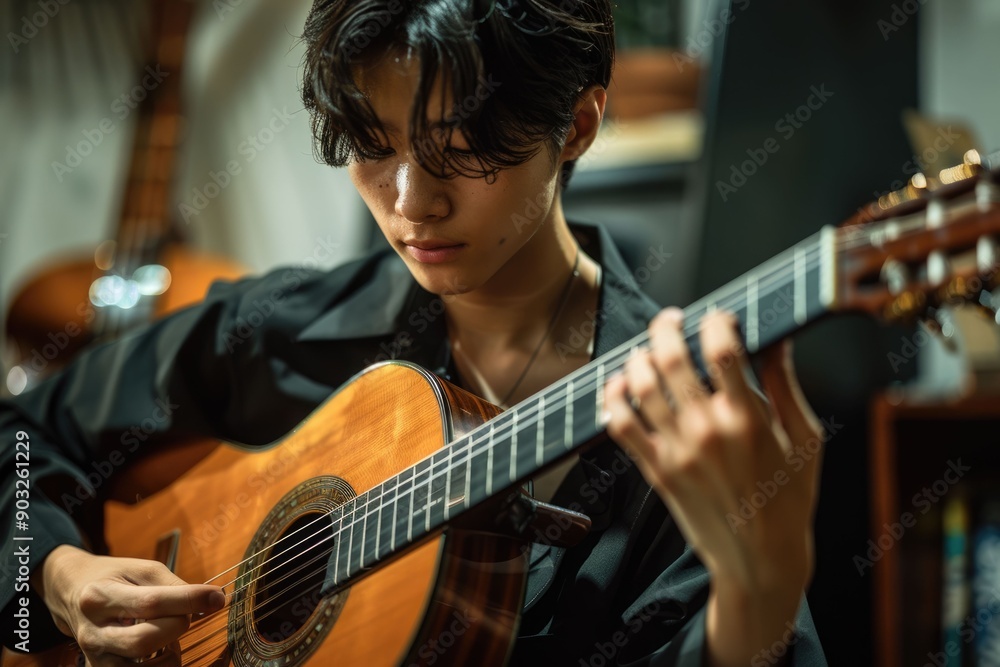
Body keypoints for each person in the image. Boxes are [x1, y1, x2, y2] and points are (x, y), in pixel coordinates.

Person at [0, 0, 828, 664]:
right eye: (374, 145)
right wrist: (55, 573)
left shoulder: (698, 426)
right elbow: (26, 431)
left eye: (460, 149)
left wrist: (760, 601)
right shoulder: (280, 328)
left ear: (575, 126)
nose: (410, 202)